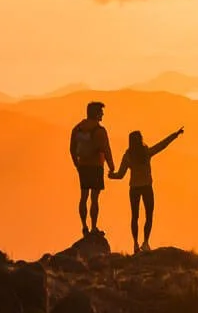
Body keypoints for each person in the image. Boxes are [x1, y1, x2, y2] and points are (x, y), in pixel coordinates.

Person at [111, 126, 183, 253]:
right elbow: (162, 145)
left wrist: (112, 175)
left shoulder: (128, 155)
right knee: (149, 215)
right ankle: (145, 242)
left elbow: (120, 175)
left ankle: (135, 243)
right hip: (147, 188)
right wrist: (175, 135)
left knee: (135, 216)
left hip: (134, 188)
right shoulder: (146, 153)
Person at [68, 100, 116, 236]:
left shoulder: (77, 129)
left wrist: (77, 165)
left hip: (83, 166)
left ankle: (84, 227)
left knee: (83, 197)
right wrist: (112, 167)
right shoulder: (100, 131)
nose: (102, 115)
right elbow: (106, 150)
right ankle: (94, 227)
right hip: (96, 167)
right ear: (96, 113)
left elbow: (72, 149)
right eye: (101, 112)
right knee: (94, 199)